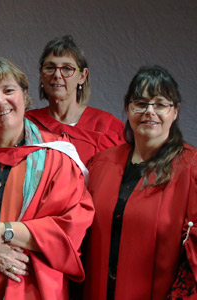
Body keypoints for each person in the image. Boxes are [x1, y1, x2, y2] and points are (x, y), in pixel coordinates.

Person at [0, 57, 94, 299]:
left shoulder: (57, 157)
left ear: (24, 94)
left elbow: (70, 225)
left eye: (8, 90)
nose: (0, 100)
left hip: (31, 288)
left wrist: (4, 232)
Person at [82, 66, 197, 299]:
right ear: (128, 108)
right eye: (140, 103)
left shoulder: (190, 168)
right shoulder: (101, 163)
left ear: (175, 112)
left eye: (160, 104)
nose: (149, 112)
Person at [25, 35, 125, 164]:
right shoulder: (27, 124)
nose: (57, 75)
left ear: (82, 76)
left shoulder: (107, 126)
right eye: (50, 68)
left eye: (67, 68)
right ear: (41, 74)